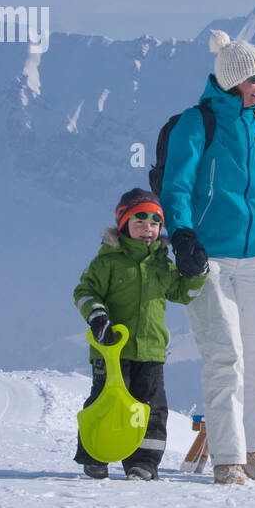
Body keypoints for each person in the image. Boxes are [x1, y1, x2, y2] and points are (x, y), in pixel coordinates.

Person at [160, 30, 255, 485]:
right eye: (254, 80)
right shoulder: (197, 122)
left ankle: (252, 448)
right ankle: (226, 458)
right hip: (208, 258)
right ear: (232, 80)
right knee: (225, 354)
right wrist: (183, 235)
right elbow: (177, 184)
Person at [73, 188, 207, 480]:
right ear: (123, 224)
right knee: (104, 402)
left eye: (154, 222)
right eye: (139, 221)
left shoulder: (161, 263)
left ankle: (144, 462)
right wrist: (97, 317)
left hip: (150, 350)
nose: (148, 229)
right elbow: (85, 292)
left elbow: (184, 293)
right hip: (111, 349)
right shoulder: (108, 261)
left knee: (152, 409)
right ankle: (95, 455)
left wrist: (198, 271)